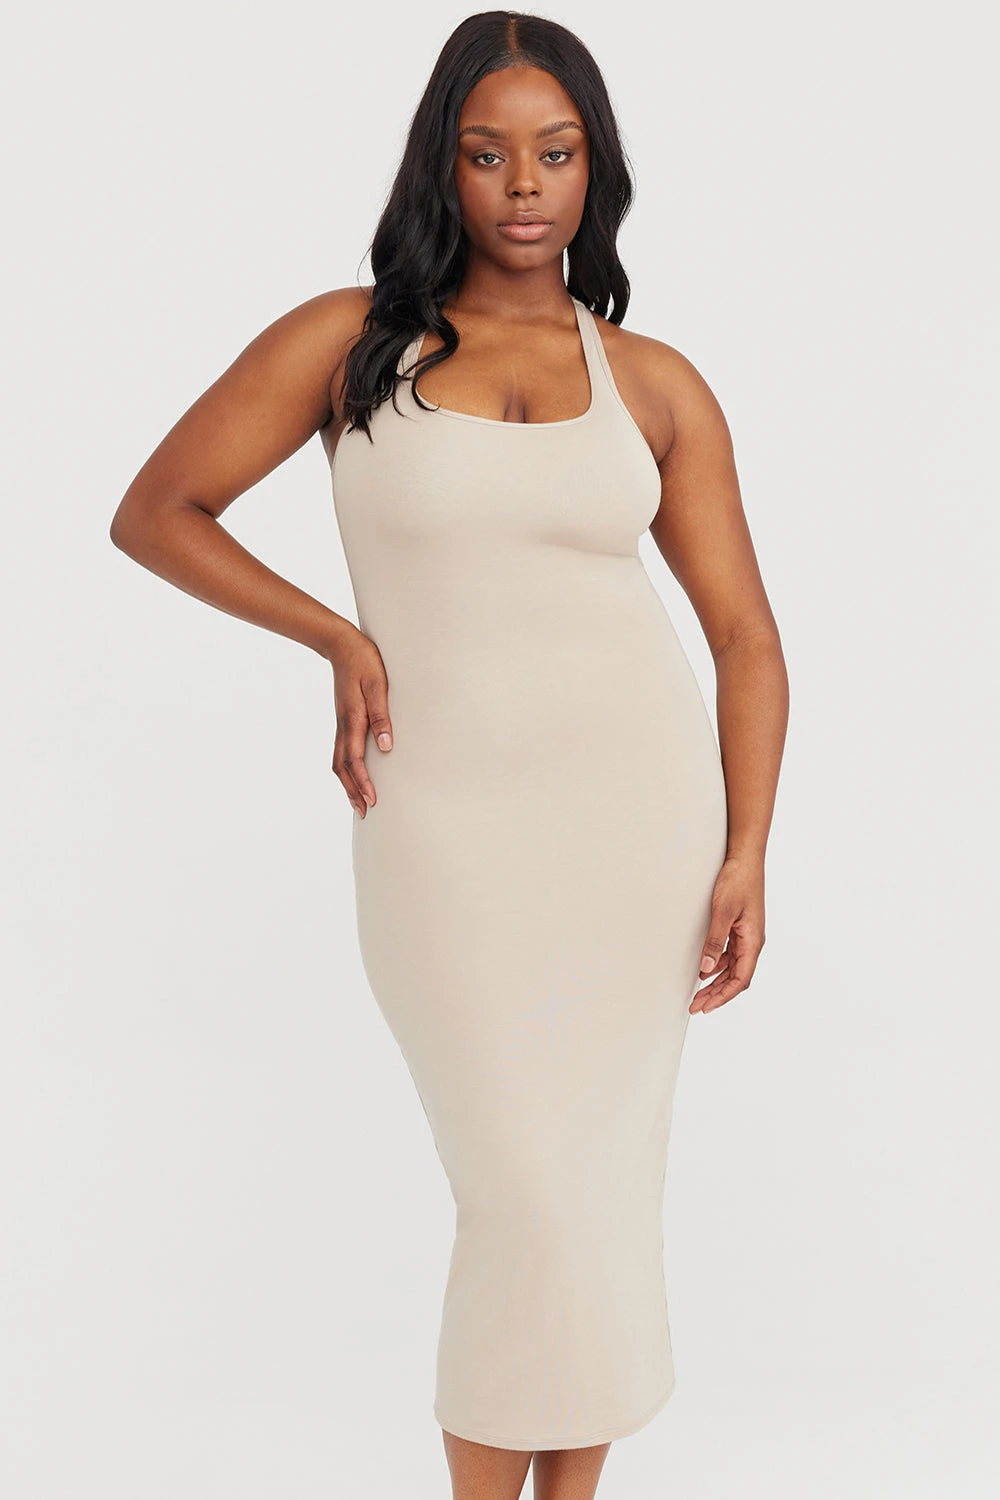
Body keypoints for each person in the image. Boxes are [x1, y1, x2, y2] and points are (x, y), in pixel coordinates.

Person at [110, 10, 788, 1499]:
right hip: (445, 836)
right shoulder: (350, 344)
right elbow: (157, 512)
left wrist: (745, 850)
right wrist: (334, 636)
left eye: (556, 152)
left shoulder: (655, 382)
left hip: (640, 829)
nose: (524, 185)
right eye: (488, 155)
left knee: (596, 1201)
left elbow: (745, 636)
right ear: (444, 167)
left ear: (597, 169)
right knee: (523, 1194)